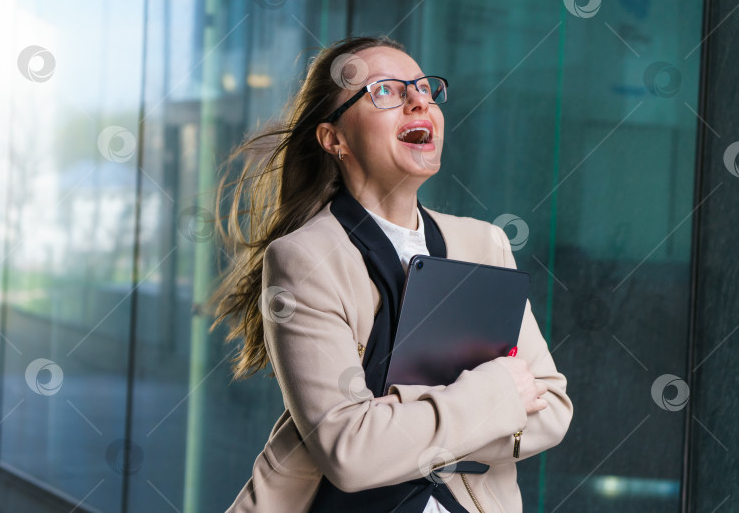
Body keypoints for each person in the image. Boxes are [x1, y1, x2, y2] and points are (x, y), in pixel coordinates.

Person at [210, 35, 573, 513]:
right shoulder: (303, 259)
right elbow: (351, 454)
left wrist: (391, 425)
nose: (418, 99)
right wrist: (497, 397)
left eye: (424, 87)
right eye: (386, 91)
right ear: (333, 139)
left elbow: (552, 412)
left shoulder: (485, 245)